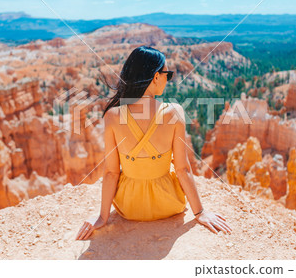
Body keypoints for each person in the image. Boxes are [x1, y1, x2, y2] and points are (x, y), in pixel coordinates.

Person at [76, 46, 232, 240]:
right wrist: (200, 213)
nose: (168, 79)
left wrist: (102, 217)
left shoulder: (113, 116)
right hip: (169, 204)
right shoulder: (174, 112)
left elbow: (111, 172)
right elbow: (183, 169)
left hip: (129, 207)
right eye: (167, 74)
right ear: (156, 76)